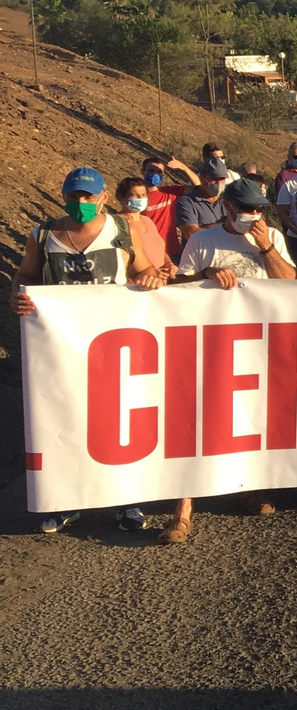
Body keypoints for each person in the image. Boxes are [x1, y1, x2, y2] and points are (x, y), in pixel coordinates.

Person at [10, 167, 168, 533]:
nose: (80, 203)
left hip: (114, 347)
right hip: (61, 347)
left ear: (103, 197)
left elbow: (146, 270)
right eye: (73, 196)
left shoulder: (123, 231)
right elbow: (27, 275)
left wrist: (148, 277)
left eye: (87, 196)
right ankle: (65, 501)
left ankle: (127, 501)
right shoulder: (44, 234)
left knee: (118, 424)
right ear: (63, 196)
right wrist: (17, 296)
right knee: (64, 421)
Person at [161, 179, 297, 540]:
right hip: (209, 344)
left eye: (259, 209)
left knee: (251, 419)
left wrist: (266, 245)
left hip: (257, 345)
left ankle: (251, 488)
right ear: (228, 208)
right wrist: (205, 275)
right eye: (246, 209)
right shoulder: (202, 240)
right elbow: (177, 290)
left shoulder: (272, 238)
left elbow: (291, 282)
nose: (253, 216)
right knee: (195, 420)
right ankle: (183, 507)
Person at [114, 177, 176, 279]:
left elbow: (160, 250)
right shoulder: (116, 224)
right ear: (122, 197)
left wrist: (169, 264)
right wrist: (149, 273)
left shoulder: (147, 221)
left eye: (143, 195)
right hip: (138, 285)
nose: (140, 198)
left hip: (160, 284)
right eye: (135, 195)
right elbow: (118, 260)